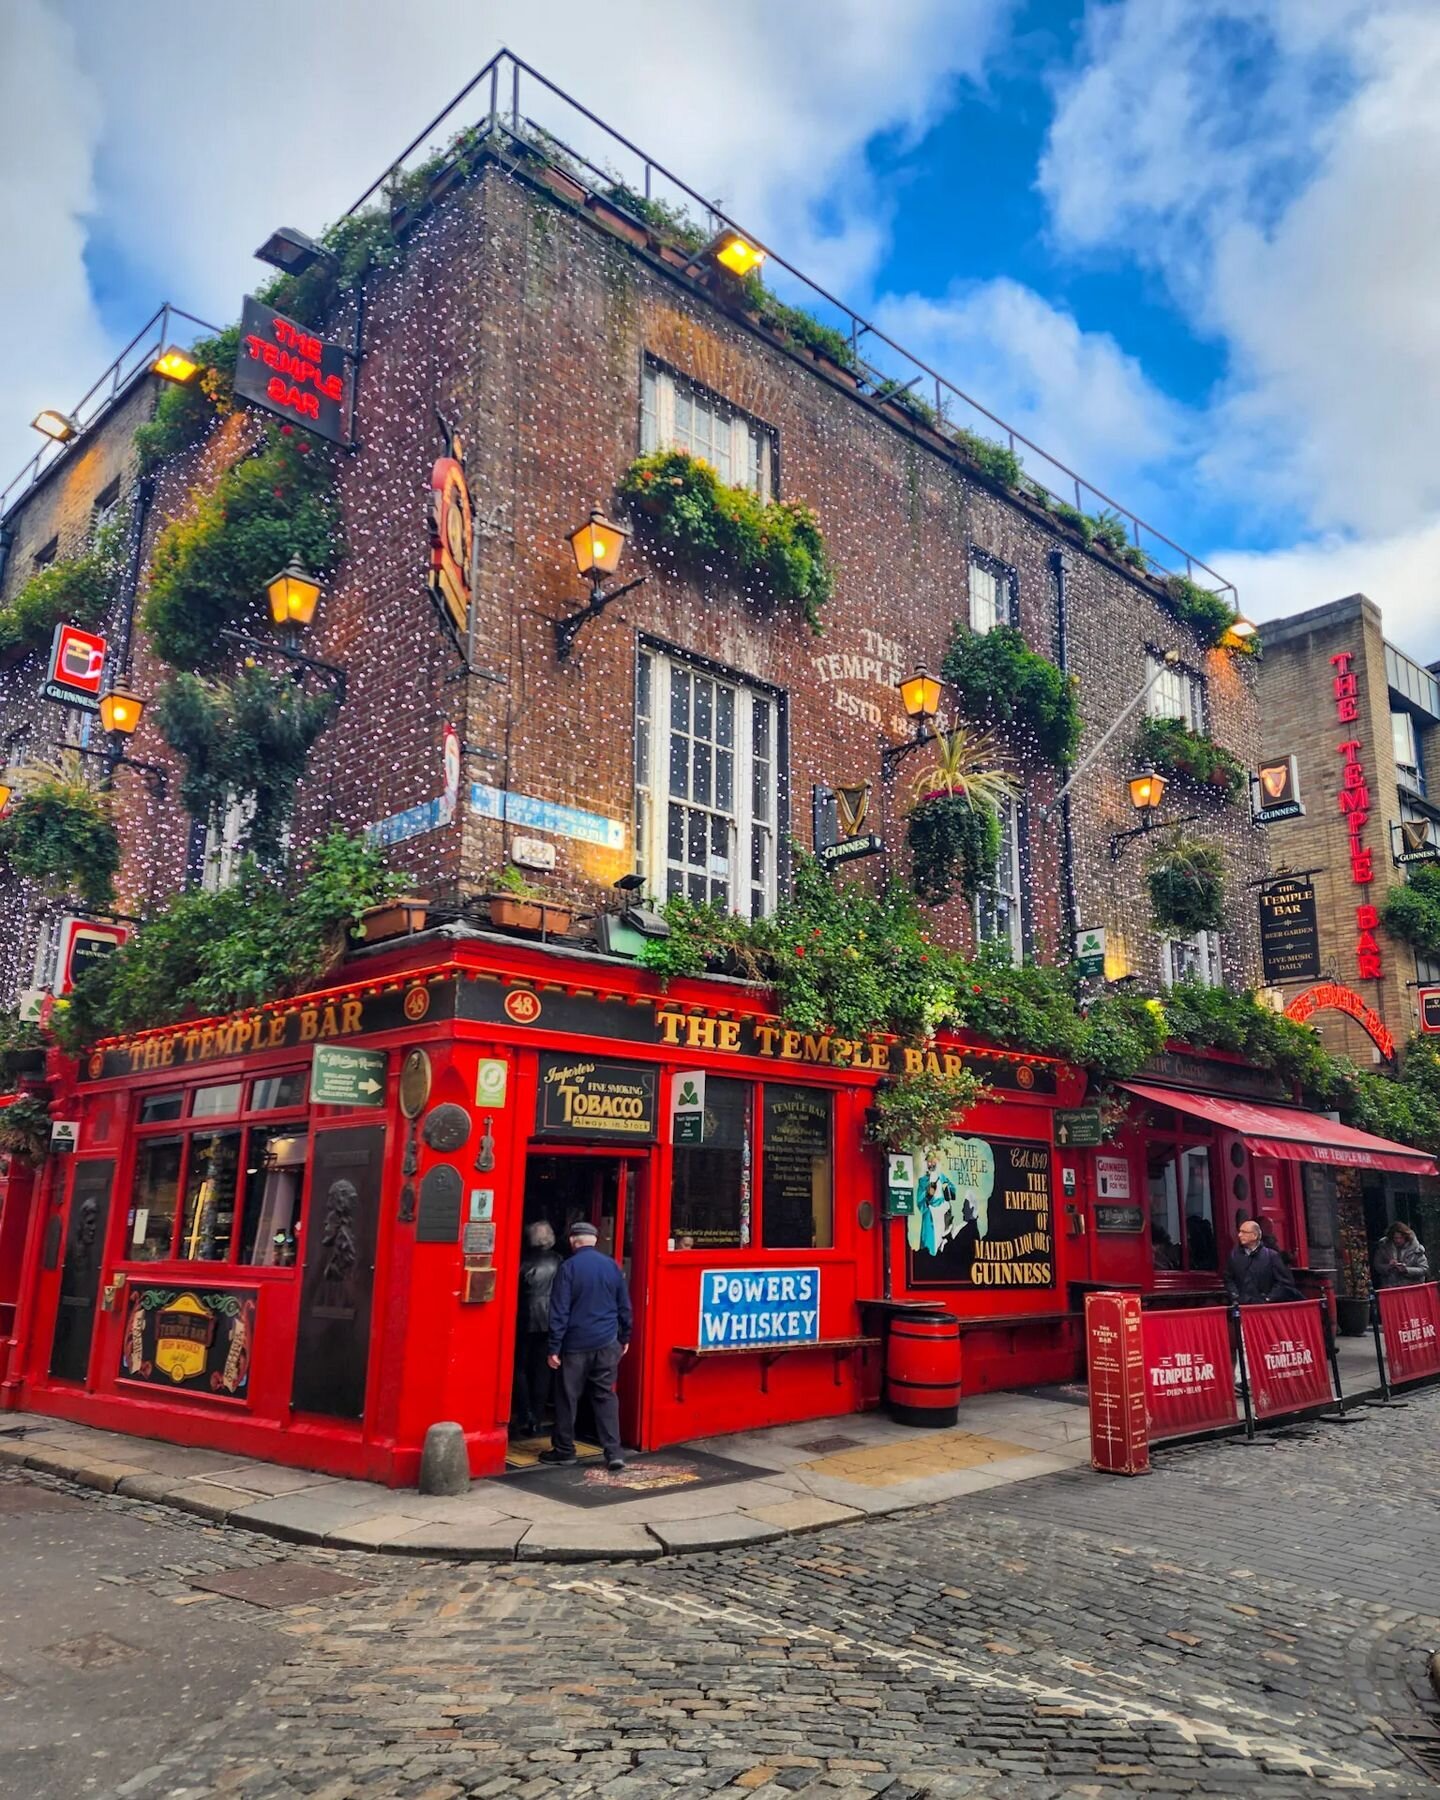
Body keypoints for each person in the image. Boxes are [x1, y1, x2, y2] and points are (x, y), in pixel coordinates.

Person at [541, 1217, 632, 1473]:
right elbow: (624, 1305)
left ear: (572, 1241)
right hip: (606, 1341)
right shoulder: (612, 1267)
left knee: (567, 1398)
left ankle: (565, 1450)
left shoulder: (568, 1268)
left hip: (575, 1345)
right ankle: (614, 1452)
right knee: (605, 1396)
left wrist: (554, 1347)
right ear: (594, 1241)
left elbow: (559, 1311)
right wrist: (625, 1337)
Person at [512, 1220, 561, 1437]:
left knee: (520, 1367)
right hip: (550, 1320)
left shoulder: (522, 1261)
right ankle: (538, 1417)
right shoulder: (559, 1260)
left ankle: (525, 1414)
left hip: (525, 1318)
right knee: (543, 1369)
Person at [1225, 1218, 1301, 1305]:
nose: (1239, 1235)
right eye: (1239, 1231)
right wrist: (1235, 1296)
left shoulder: (1271, 1256)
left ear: (1255, 1235)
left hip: (1265, 1307)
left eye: (1244, 1232)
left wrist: (1268, 1299)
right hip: (1242, 1306)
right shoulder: (1234, 1255)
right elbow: (1228, 1279)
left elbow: (1283, 1282)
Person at [1373, 1220, 1430, 1287]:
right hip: (1391, 1287)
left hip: (1412, 1287)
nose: (1398, 1240)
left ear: (1406, 1237)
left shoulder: (1416, 1249)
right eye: (1396, 1238)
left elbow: (1424, 1269)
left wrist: (1407, 1270)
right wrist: (1389, 1266)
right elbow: (1377, 1266)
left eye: (1401, 1238)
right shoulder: (1384, 1248)